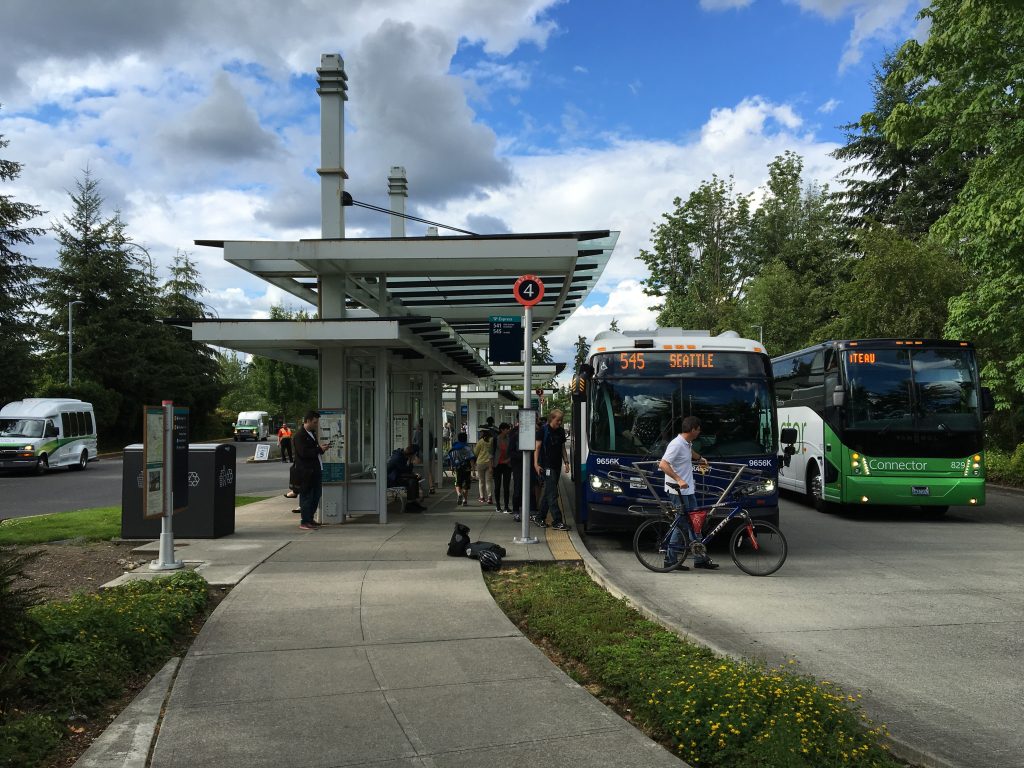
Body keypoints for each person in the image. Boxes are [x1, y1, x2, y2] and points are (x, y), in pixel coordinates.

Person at [659, 416, 718, 570]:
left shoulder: (686, 443)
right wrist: (678, 479)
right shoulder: (676, 444)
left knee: (695, 522)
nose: (699, 432)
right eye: (698, 429)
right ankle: (670, 559)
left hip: (688, 490)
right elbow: (663, 464)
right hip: (677, 490)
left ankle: (699, 559)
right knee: (683, 523)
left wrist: (700, 458)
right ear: (692, 430)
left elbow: (690, 452)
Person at [533, 409, 571, 531]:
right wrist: (536, 464)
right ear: (551, 419)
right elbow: (537, 448)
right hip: (546, 466)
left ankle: (539, 517)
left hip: (556, 465)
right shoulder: (543, 431)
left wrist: (566, 462)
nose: (560, 422)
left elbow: (562, 448)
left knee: (549, 492)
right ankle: (557, 521)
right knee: (553, 494)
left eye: (561, 420)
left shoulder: (560, 431)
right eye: (557, 420)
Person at [292, 410, 330, 530]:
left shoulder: (311, 433)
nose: (316, 424)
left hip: (315, 469)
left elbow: (312, 450)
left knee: (316, 494)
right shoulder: (300, 436)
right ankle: (305, 521)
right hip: (306, 471)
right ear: (307, 421)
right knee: (307, 495)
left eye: (317, 422)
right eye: (314, 422)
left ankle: (310, 518)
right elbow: (303, 453)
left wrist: (320, 449)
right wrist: (320, 450)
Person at [387, 445, 426, 513]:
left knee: (414, 479)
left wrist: (414, 474)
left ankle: (413, 502)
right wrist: (411, 462)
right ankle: (410, 504)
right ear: (411, 454)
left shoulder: (401, 455)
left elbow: (404, 471)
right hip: (390, 481)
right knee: (412, 481)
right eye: (414, 455)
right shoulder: (398, 458)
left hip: (395, 477)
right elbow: (406, 471)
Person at [491, 422, 514, 513]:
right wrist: (490, 466)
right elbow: (491, 453)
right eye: (507, 429)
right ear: (502, 430)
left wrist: (509, 460)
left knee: (506, 486)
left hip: (507, 465)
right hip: (497, 465)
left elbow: (512, 450)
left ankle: (506, 506)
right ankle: (498, 505)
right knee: (497, 486)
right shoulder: (495, 439)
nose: (508, 430)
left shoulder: (510, 439)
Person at [447, 432, 474, 506]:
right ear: (466, 439)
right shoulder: (468, 448)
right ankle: (465, 500)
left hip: (457, 468)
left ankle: (459, 494)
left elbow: (451, 458)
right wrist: (473, 470)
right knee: (466, 484)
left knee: (458, 483)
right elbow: (471, 459)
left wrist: (452, 467)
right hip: (467, 468)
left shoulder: (454, 448)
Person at [474, 430, 494, 504]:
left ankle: (482, 497)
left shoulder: (480, 441)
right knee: (488, 481)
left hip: (480, 463)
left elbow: (476, 453)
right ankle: (489, 497)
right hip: (489, 462)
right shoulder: (492, 440)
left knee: (481, 481)